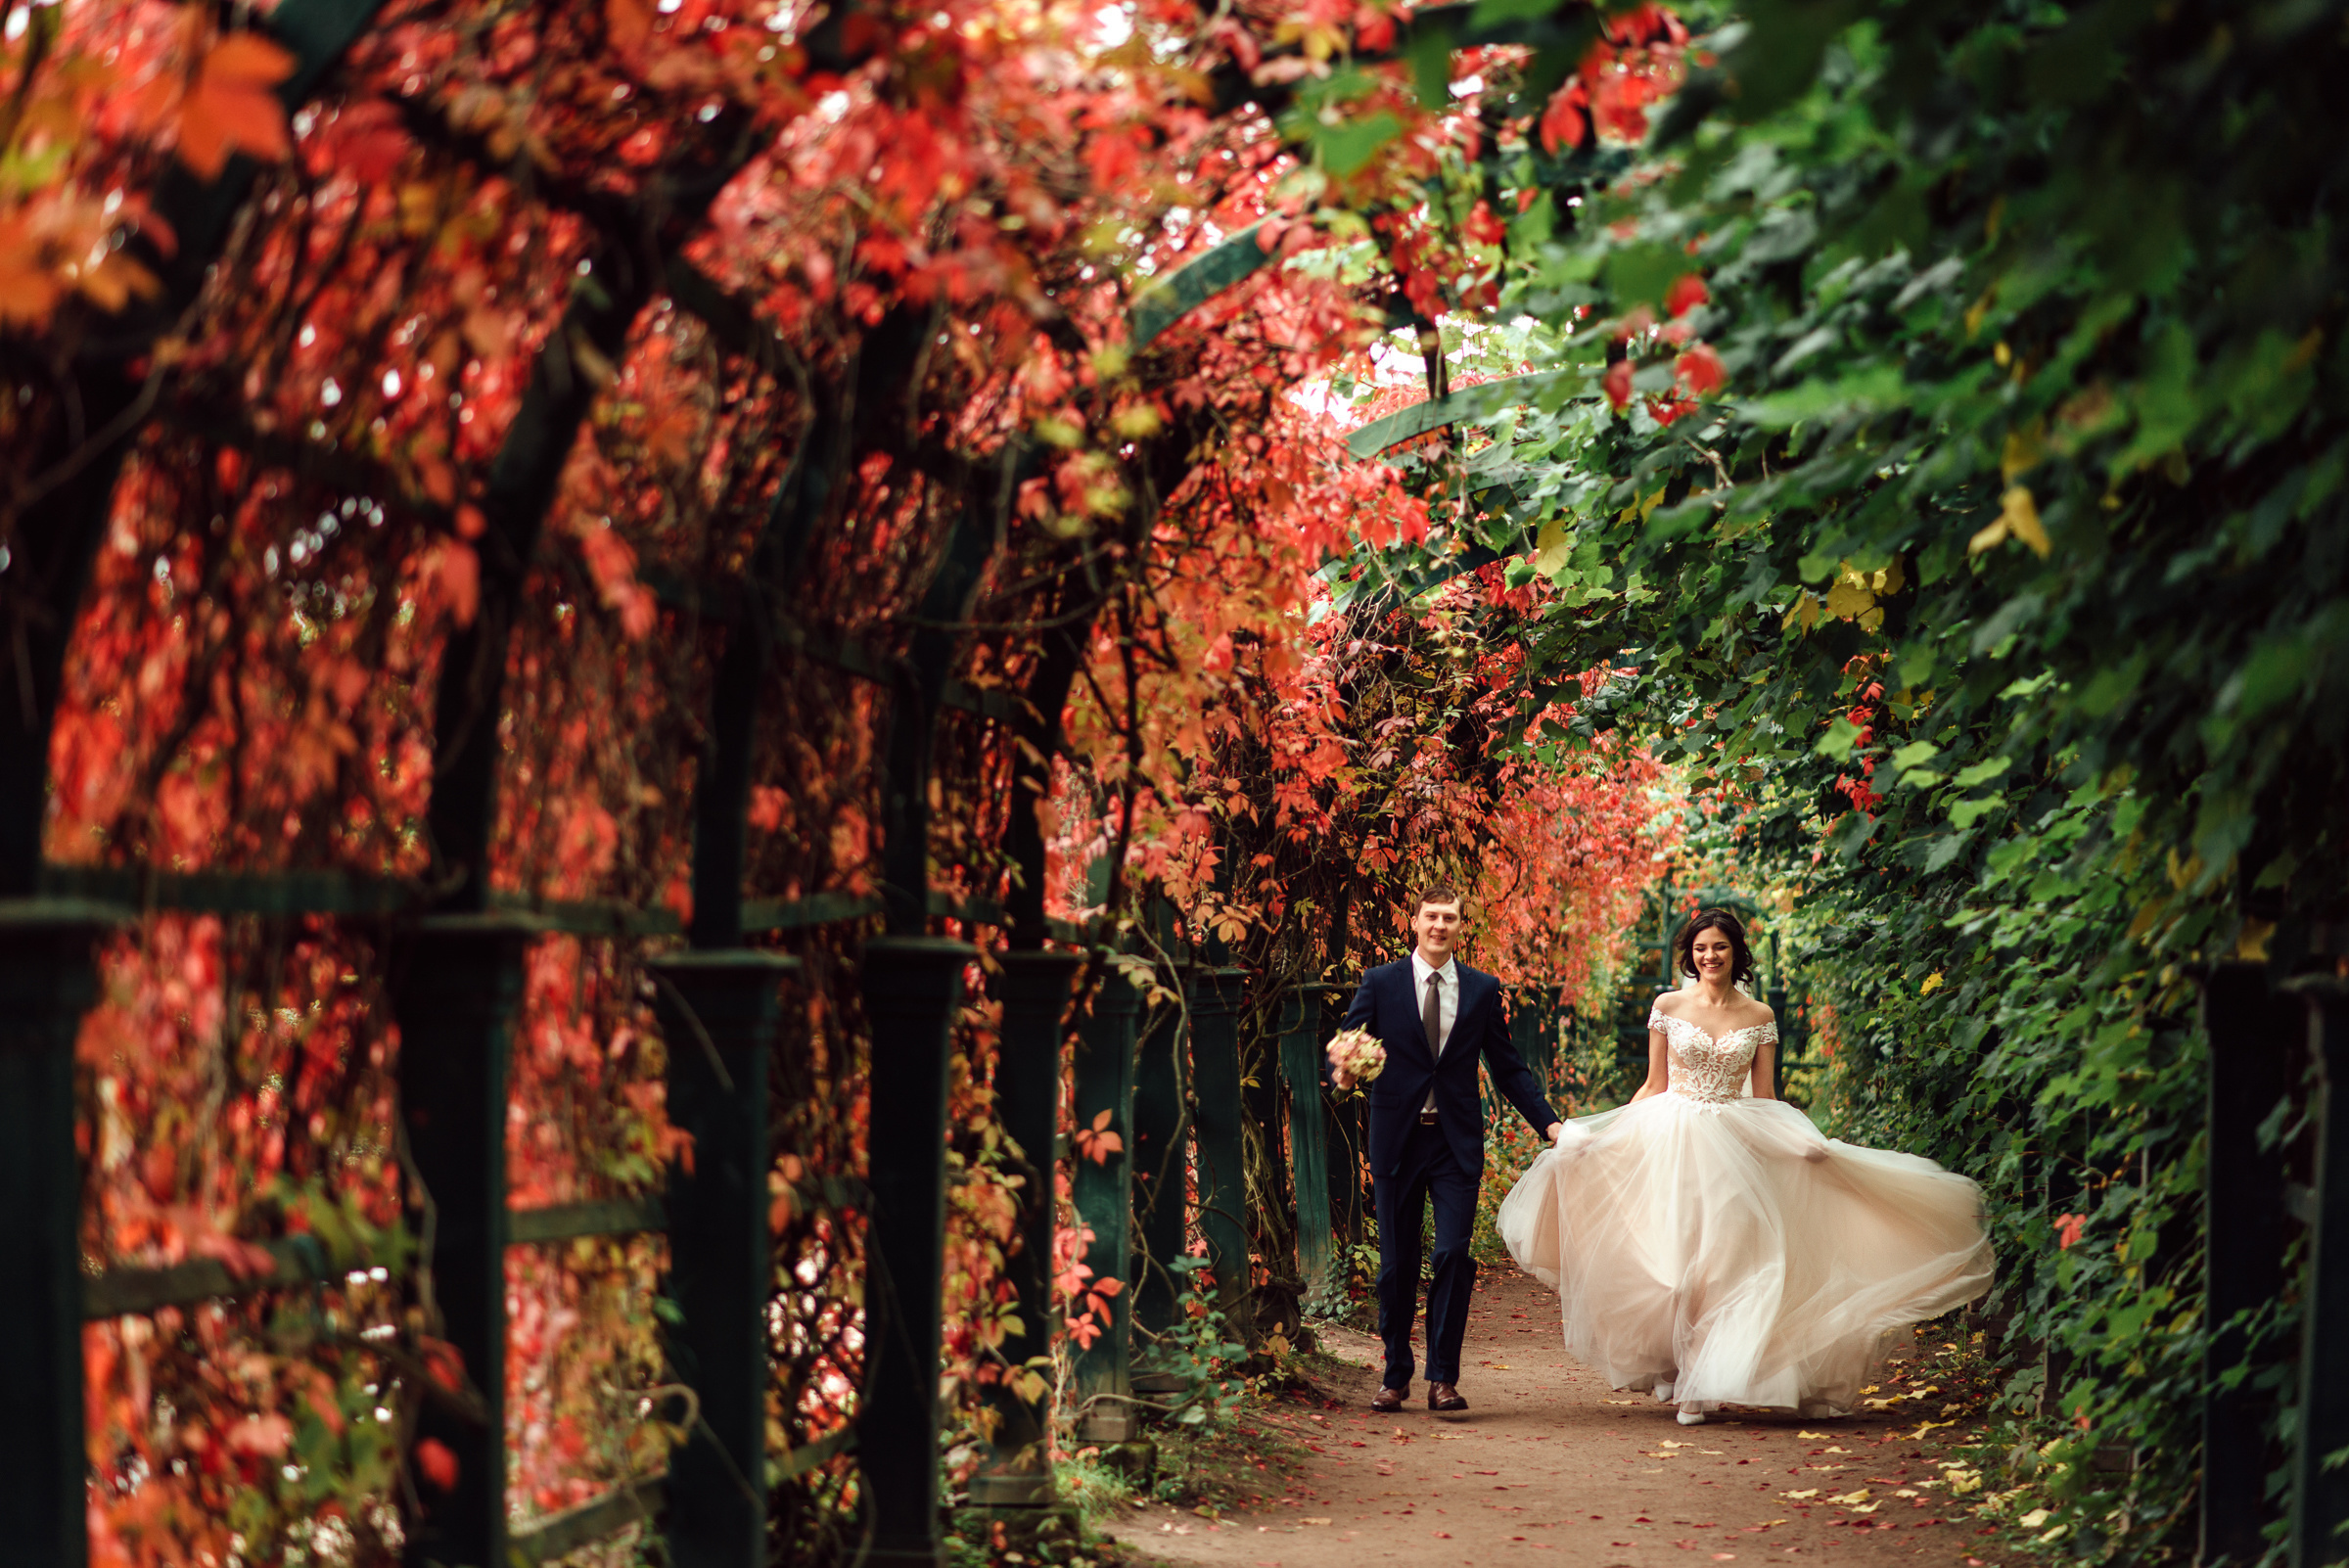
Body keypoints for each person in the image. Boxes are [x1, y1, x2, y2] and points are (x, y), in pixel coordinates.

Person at [1497, 908, 1995, 1424]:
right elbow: (1653, 1085)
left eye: (1719, 947)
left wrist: (1803, 1142)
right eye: (1700, 949)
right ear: (1690, 956)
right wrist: (1606, 1136)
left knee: (1720, 1263)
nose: (1708, 957)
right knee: (1670, 1266)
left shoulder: (1758, 1016)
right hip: (1669, 1135)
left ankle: (1697, 1383)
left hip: (1732, 1142)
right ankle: (1672, 1364)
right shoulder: (1667, 1004)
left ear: (1736, 953)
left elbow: (1766, 1097)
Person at [1328, 886, 1564, 1412]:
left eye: (1449, 918)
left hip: (1454, 1141)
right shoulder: (1380, 982)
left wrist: (1548, 1125)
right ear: (1414, 922)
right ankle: (1395, 1374)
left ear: (1460, 927)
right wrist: (1342, 1071)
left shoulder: (1481, 990)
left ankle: (1443, 1378)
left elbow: (1507, 1068)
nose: (1439, 925)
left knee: (1453, 1253)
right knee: (1396, 1265)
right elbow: (1346, 1044)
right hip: (1396, 1140)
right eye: (1431, 916)